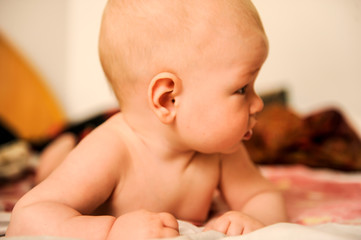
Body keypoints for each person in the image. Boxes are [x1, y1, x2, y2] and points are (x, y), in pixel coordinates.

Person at [6, 0, 287, 239]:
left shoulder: (221, 150)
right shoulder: (111, 150)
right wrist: (112, 231)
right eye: (241, 89)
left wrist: (251, 219)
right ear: (168, 99)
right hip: (82, 158)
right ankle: (55, 156)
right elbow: (27, 218)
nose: (259, 103)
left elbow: (262, 196)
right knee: (53, 176)